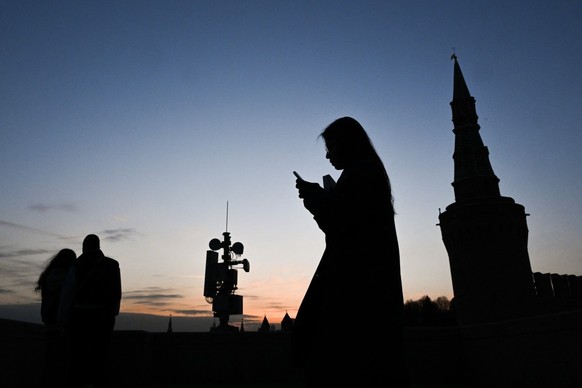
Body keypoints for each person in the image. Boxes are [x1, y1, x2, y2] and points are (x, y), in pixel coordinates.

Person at [292, 116, 409, 387]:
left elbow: (342, 227)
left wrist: (316, 200)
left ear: (346, 144)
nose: (328, 156)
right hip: (367, 289)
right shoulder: (367, 173)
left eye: (330, 148)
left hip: (356, 291)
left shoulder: (361, 174)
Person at [59, 234, 122, 388]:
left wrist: (62, 319)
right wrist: (112, 313)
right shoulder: (112, 265)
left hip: (79, 318)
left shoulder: (77, 265)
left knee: (78, 359)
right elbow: (116, 293)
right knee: (100, 359)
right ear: (99, 246)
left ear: (84, 246)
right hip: (103, 319)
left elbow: (67, 295)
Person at [35, 248, 77, 387]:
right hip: (60, 324)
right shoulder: (66, 277)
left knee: (50, 364)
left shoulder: (49, 275)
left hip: (50, 322)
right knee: (59, 365)